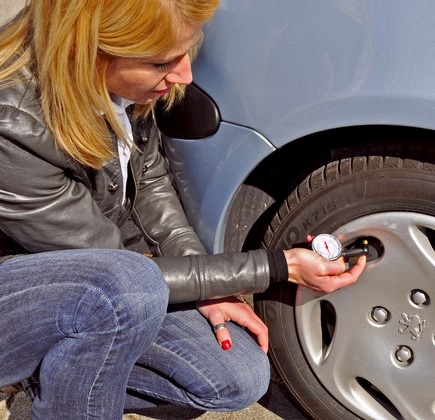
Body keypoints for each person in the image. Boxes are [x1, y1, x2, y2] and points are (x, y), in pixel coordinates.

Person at [0, 0, 366, 418]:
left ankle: (46, 383)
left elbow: (152, 183)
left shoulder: (116, 84)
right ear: (86, 52)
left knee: (237, 377)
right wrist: (277, 267)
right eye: (161, 63)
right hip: (19, 295)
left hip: (103, 286)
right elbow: (113, 270)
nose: (184, 76)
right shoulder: (12, 124)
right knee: (125, 288)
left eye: (185, 52)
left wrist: (205, 285)